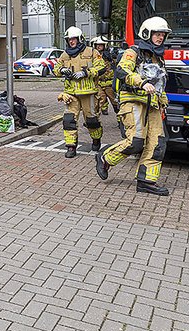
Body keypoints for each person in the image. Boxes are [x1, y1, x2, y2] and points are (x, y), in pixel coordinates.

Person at [96, 17, 172, 196]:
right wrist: (141, 82)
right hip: (133, 101)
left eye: (163, 35)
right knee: (136, 141)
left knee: (158, 143)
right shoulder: (133, 52)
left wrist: (163, 102)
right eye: (157, 34)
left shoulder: (158, 59)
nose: (160, 38)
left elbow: (159, 85)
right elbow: (122, 71)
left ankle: (146, 181)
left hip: (152, 105)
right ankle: (105, 158)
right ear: (147, 34)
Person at [56, 26, 107, 158]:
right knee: (69, 120)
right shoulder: (65, 55)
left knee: (91, 120)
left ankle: (96, 139)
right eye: (69, 39)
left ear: (80, 39)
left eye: (73, 39)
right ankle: (71, 146)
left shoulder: (92, 52)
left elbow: (102, 67)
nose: (71, 41)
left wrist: (85, 73)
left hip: (88, 93)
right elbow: (56, 68)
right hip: (71, 93)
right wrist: (62, 70)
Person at [92, 36, 120, 117]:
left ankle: (120, 118)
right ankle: (95, 119)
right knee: (99, 99)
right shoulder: (94, 55)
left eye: (101, 45)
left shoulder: (109, 54)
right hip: (99, 82)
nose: (99, 46)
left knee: (114, 101)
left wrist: (113, 57)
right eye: (97, 45)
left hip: (109, 83)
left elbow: (117, 64)